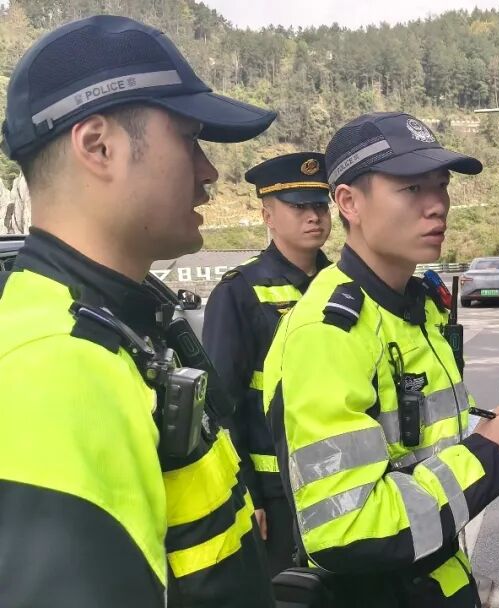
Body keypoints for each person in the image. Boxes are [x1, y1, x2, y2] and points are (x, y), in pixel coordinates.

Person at [261, 111, 499, 606]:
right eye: (411, 188)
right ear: (348, 202)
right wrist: (489, 455)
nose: (438, 206)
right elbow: (346, 530)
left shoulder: (416, 307)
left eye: (441, 186)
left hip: (440, 585)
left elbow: (433, 454)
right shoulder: (327, 332)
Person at [0, 16, 276, 607]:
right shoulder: (57, 371)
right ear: (98, 147)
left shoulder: (126, 325)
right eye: (188, 138)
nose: (209, 171)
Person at [203, 152, 333, 577]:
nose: (314, 216)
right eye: (299, 206)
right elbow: (222, 405)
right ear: (268, 216)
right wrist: (247, 493)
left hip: (343, 478)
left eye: (320, 205)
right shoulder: (239, 292)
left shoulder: (344, 285)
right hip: (276, 495)